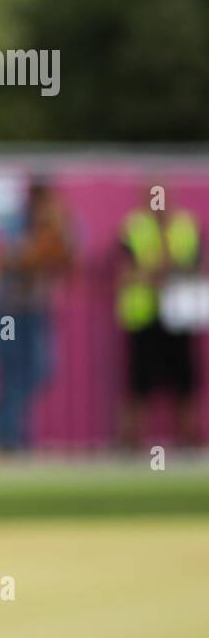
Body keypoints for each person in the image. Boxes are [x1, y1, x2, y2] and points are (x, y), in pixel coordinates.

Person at [0, 177, 74, 451]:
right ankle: (7, 435)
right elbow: (13, 258)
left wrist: (57, 227)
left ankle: (0, 431)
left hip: (32, 310)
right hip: (7, 312)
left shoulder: (56, 226)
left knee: (39, 370)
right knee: (13, 374)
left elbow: (68, 255)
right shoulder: (17, 225)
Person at [116, 189, 203, 448]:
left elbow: (196, 267)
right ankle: (131, 441)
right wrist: (155, 271)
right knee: (138, 381)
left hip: (178, 316)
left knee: (185, 380)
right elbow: (125, 273)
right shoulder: (134, 227)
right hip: (144, 316)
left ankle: (189, 439)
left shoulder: (186, 226)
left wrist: (168, 268)